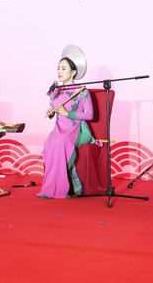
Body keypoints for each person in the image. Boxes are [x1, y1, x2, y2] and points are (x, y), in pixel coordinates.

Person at [38, 47, 95, 199]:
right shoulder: (55, 91)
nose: (59, 71)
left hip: (77, 129)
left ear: (73, 72)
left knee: (62, 142)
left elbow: (90, 115)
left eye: (63, 69)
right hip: (59, 128)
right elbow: (54, 111)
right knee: (49, 144)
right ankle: (51, 186)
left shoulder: (81, 91)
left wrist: (67, 113)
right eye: (58, 68)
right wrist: (51, 113)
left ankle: (67, 186)